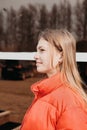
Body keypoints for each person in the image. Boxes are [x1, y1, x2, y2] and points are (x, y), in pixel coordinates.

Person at [20, 29, 87, 130]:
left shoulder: (70, 102)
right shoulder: (46, 92)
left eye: (42, 50)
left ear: (61, 56)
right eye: (37, 50)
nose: (35, 56)